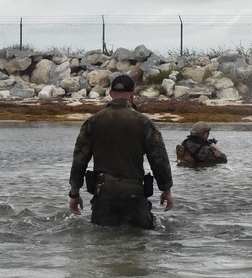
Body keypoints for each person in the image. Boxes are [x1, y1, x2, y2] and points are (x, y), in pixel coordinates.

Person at [68, 74, 174, 229]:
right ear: (132, 94)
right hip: (134, 191)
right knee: (139, 240)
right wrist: (166, 189)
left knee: (103, 241)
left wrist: (74, 193)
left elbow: (79, 160)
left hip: (104, 192)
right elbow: (159, 159)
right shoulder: (144, 123)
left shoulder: (93, 122)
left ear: (111, 93)